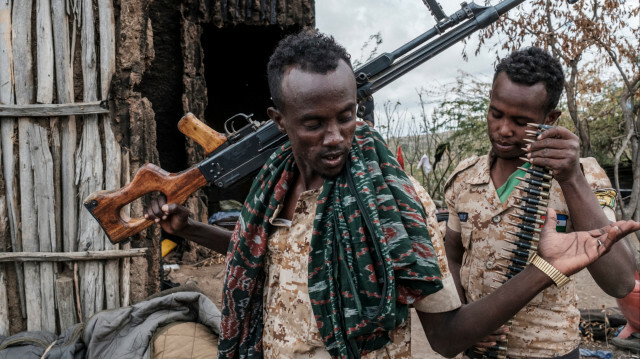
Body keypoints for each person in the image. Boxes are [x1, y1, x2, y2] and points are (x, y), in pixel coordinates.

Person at [145, 31, 639, 359]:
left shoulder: (389, 199)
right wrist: (189, 229)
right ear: (281, 123)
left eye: (346, 116)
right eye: (314, 124)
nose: (336, 137)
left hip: (545, 348)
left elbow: (619, 279)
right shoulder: (273, 191)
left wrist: (555, 234)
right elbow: (273, 257)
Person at [443, 47, 636, 359]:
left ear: (550, 119)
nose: (504, 129)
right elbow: (452, 255)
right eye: (496, 113)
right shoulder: (464, 176)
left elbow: (621, 282)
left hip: (550, 351)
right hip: (478, 350)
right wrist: (464, 317)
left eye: (521, 120)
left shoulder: (585, 177)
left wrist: (571, 179)